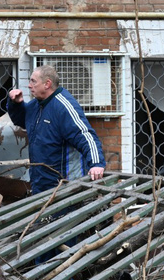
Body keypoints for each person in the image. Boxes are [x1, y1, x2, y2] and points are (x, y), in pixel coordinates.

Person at [7, 65, 106, 195]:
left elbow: (85, 134)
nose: (29, 85)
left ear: (47, 84)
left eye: (33, 81)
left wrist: (96, 163)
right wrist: (16, 104)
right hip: (40, 182)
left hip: (63, 185)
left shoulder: (63, 106)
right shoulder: (37, 104)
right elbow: (22, 121)